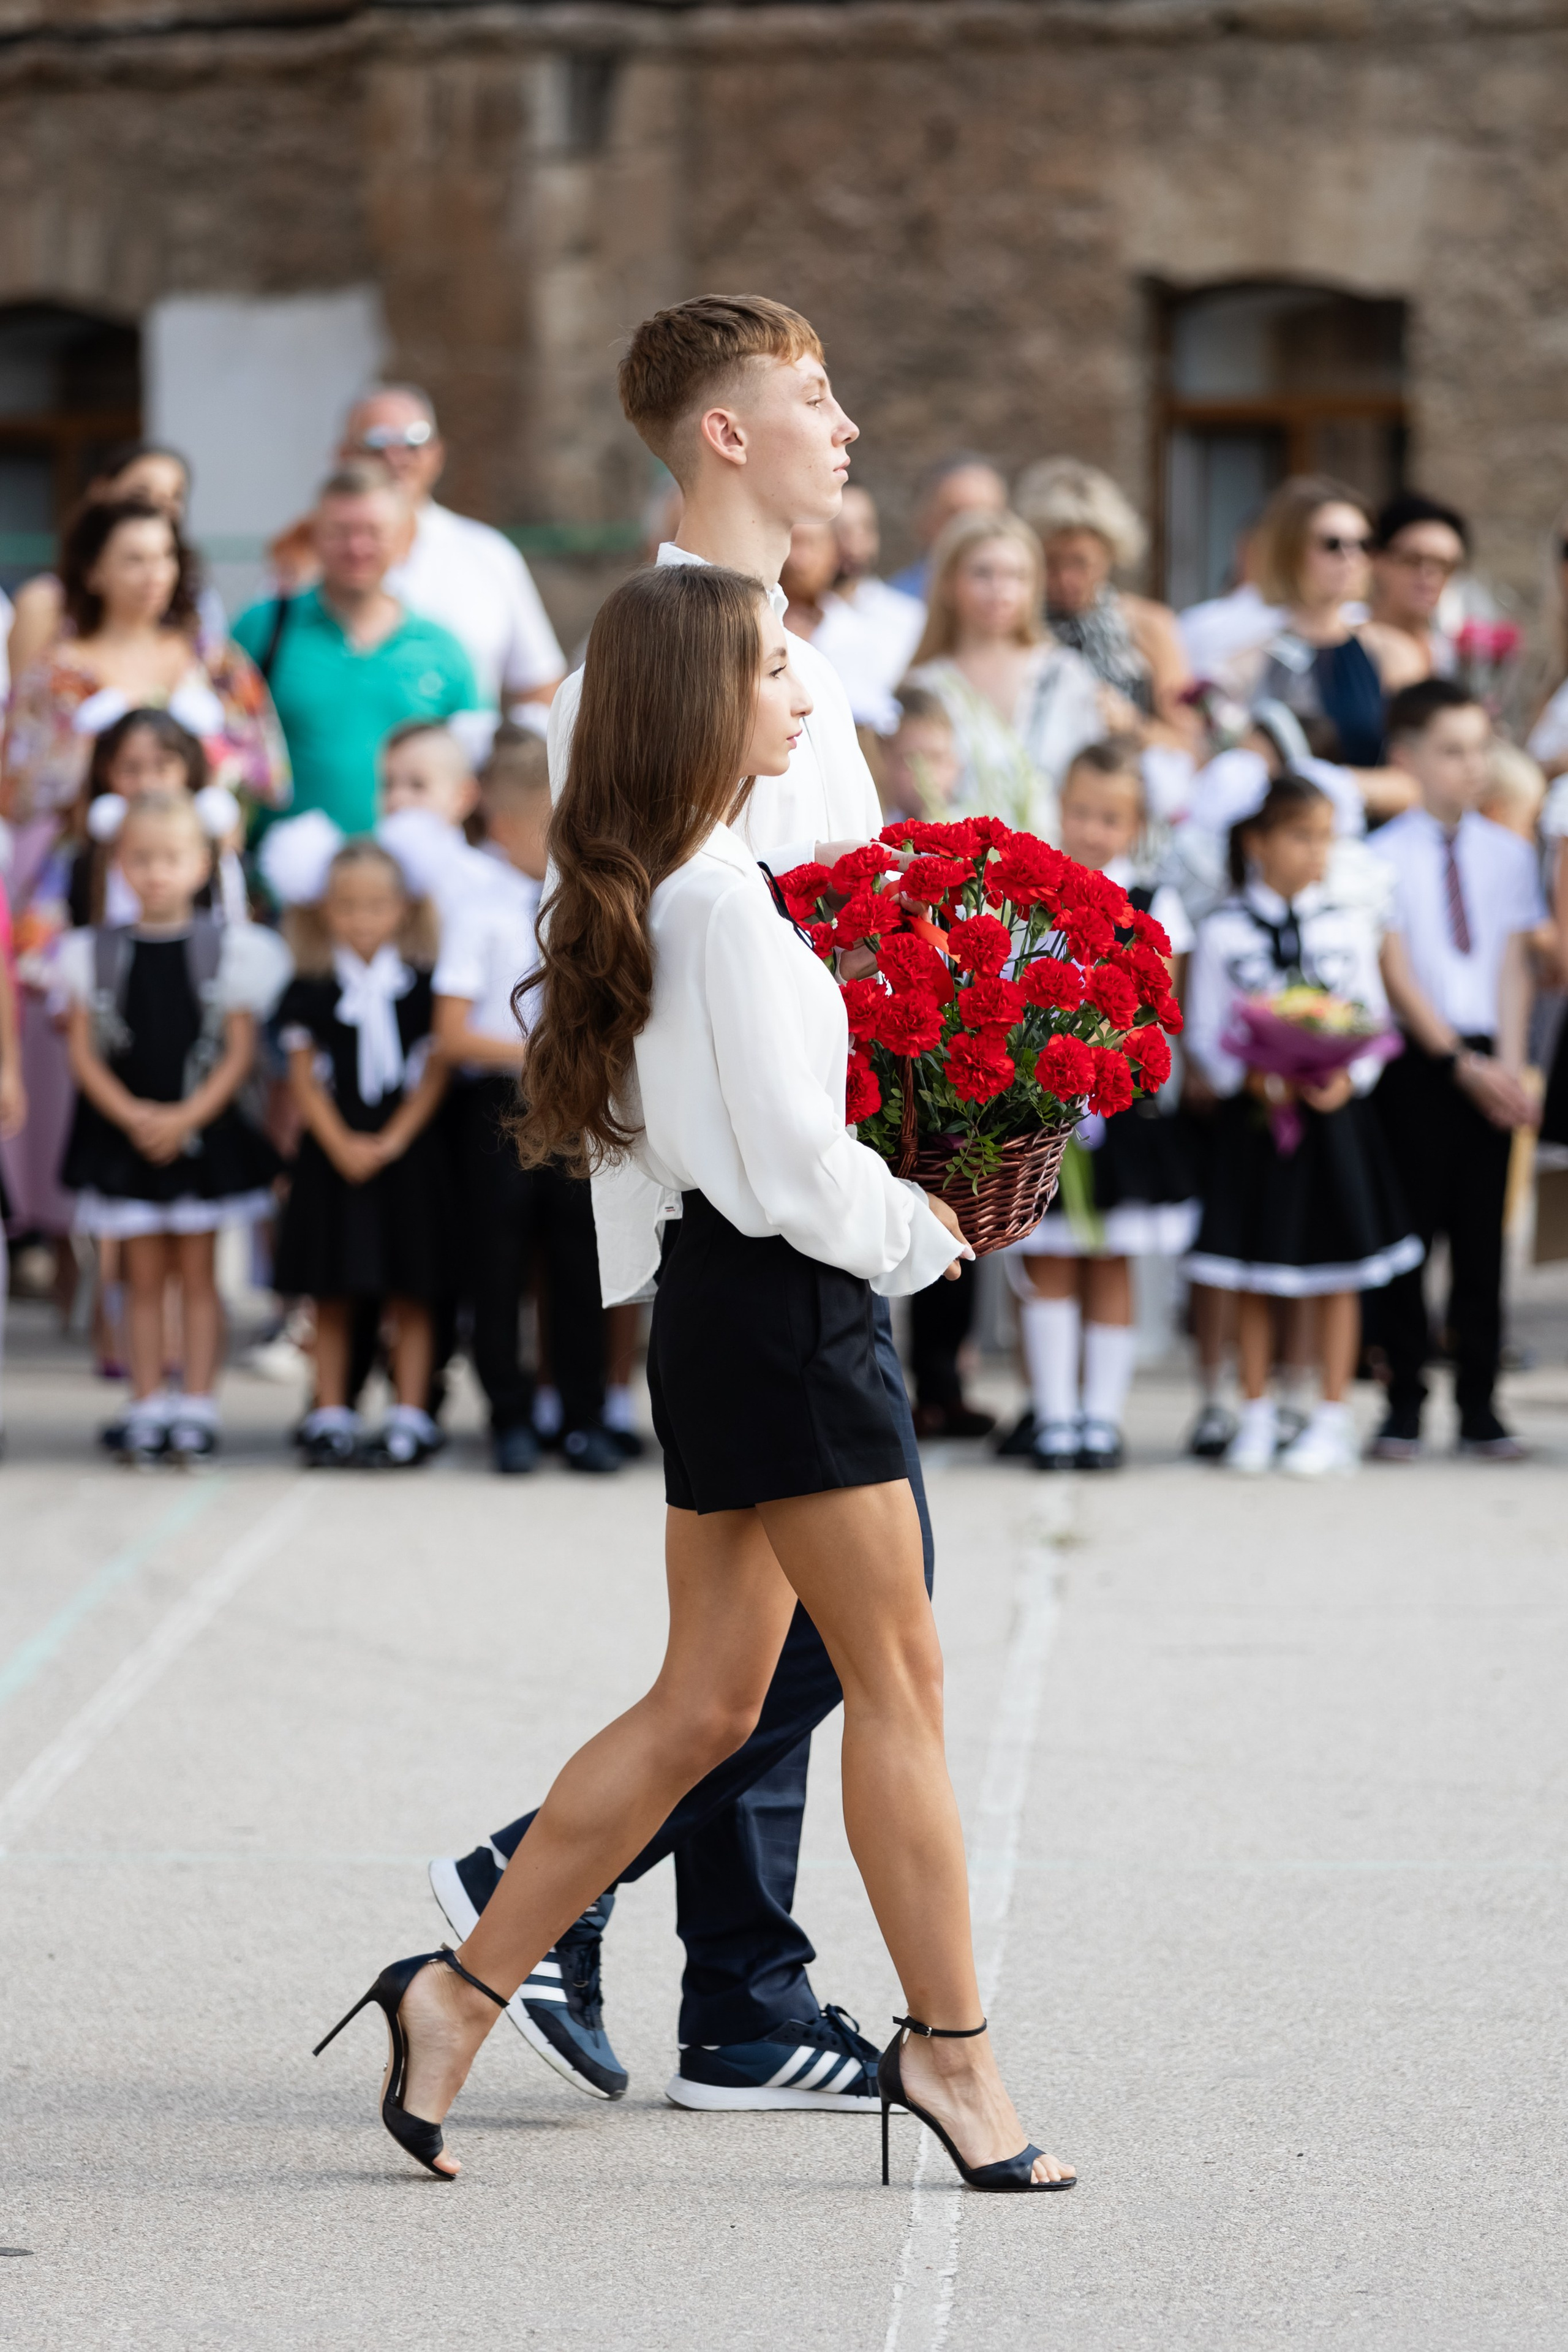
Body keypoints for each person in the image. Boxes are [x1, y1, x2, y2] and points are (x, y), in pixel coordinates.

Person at [315, 561, 1074, 2197]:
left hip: (729, 1320)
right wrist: (930, 1230)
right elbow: (797, 1172)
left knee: (710, 1705)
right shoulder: (720, 903)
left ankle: (451, 2000)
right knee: (899, 1688)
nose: (805, 688)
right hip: (793, 1311)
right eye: (776, 667)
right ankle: (954, 2057)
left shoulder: (682, 882)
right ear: (702, 705)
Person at [429, 293, 938, 2121]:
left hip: (810, 1170)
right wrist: (847, 1192)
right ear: (723, 433)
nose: (846, 425)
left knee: (770, 1639)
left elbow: (859, 925)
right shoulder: (657, 656)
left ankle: (734, 1989)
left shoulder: (780, 640)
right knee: (836, 1631)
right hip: (747, 1195)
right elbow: (652, 951)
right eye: (813, 396)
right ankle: (535, 1886)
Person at [1, 496, 287, 1274]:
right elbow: (16, 786)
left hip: (195, 886)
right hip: (94, 884)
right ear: (92, 569)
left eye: (163, 557)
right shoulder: (58, 671)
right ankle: (88, 1274)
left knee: (202, 1037)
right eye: (131, 557)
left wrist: (213, 790)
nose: (150, 574)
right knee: (87, 1051)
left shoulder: (214, 659)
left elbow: (270, 772)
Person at [1185, 774, 1420, 1476]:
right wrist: (1250, 1076)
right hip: (1257, 1122)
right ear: (1256, 841)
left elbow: (1371, 1017)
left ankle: (1328, 1415)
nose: (1316, 852)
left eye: (1326, 837)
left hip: (1333, 1121)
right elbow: (1203, 1029)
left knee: (1337, 1270)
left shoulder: (1347, 924)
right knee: (1256, 1269)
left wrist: (1348, 1074)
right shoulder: (1224, 929)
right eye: (1300, 835)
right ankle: (1254, 1411)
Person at [58, 793, 287, 1464]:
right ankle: (147, 1398)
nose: (156, 872)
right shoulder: (91, 953)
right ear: (117, 862)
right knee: (140, 1276)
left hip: (203, 1134)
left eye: (173, 858)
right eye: (140, 859)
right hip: (123, 1133)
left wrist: (186, 1116)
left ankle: (198, 1403)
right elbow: (82, 1051)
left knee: (197, 1274)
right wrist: (132, 1115)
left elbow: (239, 1051)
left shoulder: (230, 951)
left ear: (204, 863)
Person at [1365, 679, 1545, 1461]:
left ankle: (1480, 1402)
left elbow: (1512, 961)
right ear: (1406, 757)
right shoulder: (1380, 856)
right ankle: (1403, 1396)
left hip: (1487, 1053)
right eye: (1451, 750)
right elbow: (1397, 972)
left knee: (1481, 1237)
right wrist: (1456, 1061)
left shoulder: (1508, 853)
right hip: (1419, 1057)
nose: (1472, 766)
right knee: (1409, 1233)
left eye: (1480, 748)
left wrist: (1507, 1063)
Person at [432, 734, 619, 1476]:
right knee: (498, 1264)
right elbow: (450, 1034)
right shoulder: (476, 909)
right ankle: (508, 1414)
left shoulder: (590, 901)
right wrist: (541, 1056)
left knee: (580, 1261)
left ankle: (581, 1416)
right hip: (499, 1105)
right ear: (504, 826)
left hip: (575, 1105)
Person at [1006, 739, 1196, 1470]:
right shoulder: (1034, 898)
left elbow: (1156, 1000)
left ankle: (1100, 1418)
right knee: (1049, 1261)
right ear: (1061, 808)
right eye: (1081, 812)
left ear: (1137, 822)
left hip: (1115, 1102)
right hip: (1040, 1096)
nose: (1093, 829)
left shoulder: (1153, 901)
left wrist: (1101, 1054)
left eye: (1111, 817)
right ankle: (1053, 1416)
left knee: (1109, 1255)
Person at [273, 839, 453, 1470]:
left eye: (376, 905)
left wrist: (395, 1139)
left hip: (408, 1154)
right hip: (335, 1154)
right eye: (346, 905)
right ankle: (331, 1411)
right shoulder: (310, 989)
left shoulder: (424, 988)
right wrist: (341, 1143)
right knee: (331, 1288)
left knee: (414, 1286)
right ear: (324, 910)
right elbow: (303, 1077)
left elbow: (434, 1070)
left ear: (403, 909)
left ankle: (409, 1413)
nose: (361, 918)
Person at [233, 464, 478, 837]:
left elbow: (472, 768)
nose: (357, 547)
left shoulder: (442, 650)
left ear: (404, 540)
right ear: (314, 537)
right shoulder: (261, 629)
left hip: (408, 885)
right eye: (340, 532)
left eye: (373, 532)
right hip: (282, 886)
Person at [339, 385, 565, 724]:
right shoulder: (307, 561)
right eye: (377, 442)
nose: (396, 456)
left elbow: (540, 686)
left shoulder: (489, 555)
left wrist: (513, 766)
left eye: (414, 440)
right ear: (344, 455)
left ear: (437, 453)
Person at [905, 508, 1105, 834]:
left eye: (1016, 575)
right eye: (983, 573)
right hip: (965, 875)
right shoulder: (926, 686)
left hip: (1054, 871)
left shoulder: (1064, 675)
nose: (1000, 589)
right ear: (949, 582)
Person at [1232, 477, 1415, 816]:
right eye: (1333, 544)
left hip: (1375, 842)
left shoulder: (1393, 654)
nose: (1351, 557)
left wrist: (1333, 783)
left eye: (1363, 544)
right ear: (1290, 551)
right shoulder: (1248, 662)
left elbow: (1419, 778)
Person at [7, 439, 228, 677]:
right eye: (141, 493)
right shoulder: (46, 603)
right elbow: (24, 706)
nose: (160, 506)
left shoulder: (199, 602)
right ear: (100, 490)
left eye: (175, 496)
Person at [1014, 458, 1197, 742]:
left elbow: (1188, 744)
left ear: (1111, 555)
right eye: (1051, 563)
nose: (1066, 579)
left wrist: (1132, 725)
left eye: (1080, 563)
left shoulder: (1148, 625)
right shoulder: (1016, 624)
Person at [1361, 491, 1468, 692]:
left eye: (1446, 565)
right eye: (1414, 559)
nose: (1430, 576)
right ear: (1376, 559)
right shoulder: (1350, 641)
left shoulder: (1449, 651)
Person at [887, 451, 1008, 601]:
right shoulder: (894, 606)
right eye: (957, 516)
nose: (973, 530)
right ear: (923, 520)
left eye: (986, 516)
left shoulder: (1022, 602)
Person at [878, 684, 962, 824]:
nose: (926, 773)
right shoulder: (873, 828)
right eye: (911, 759)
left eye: (937, 758)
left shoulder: (964, 826)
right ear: (884, 758)